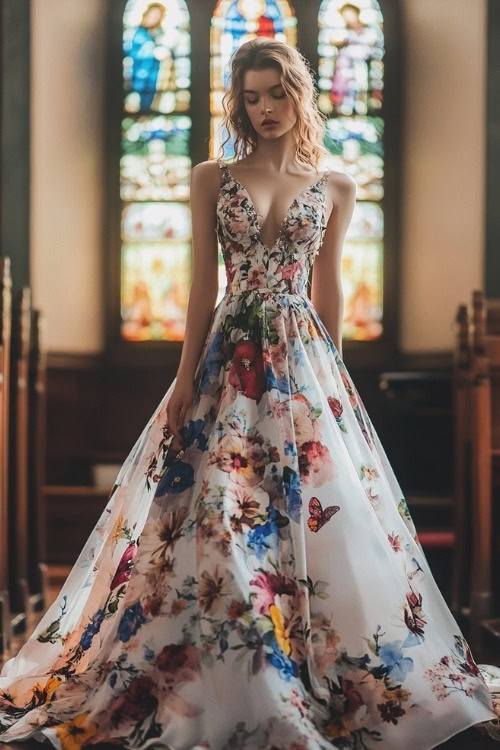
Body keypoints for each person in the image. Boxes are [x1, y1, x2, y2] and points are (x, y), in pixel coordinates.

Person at [1, 37, 500, 750]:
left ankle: (310, 665)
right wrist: (181, 383)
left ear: (300, 94)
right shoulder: (213, 176)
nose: (264, 109)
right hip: (226, 362)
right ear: (239, 103)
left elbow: (326, 302)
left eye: (277, 94)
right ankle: (226, 667)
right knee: (216, 511)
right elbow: (203, 290)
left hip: (304, 367)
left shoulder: (338, 186)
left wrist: (330, 397)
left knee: (316, 517)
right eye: (252, 97)